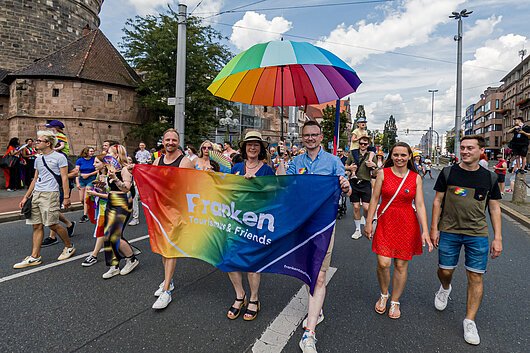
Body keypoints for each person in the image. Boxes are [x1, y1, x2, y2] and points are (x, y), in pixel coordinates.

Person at [277, 121, 350, 353]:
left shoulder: (333, 162)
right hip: (301, 224)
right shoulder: (295, 162)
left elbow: (345, 189)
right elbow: (284, 186)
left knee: (319, 275)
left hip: (323, 226)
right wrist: (280, 161)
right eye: (306, 135)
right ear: (302, 137)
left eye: (314, 135)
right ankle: (316, 308)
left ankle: (309, 334)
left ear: (321, 137)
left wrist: (346, 186)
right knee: (308, 268)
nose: (310, 138)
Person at [430, 135, 502, 346]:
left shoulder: (489, 178)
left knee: (476, 277)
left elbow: (495, 207)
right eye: (462, 148)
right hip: (449, 231)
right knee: (445, 270)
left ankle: (469, 320)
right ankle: (445, 288)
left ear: (481, 151)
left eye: (470, 148)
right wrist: (434, 228)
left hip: (477, 234)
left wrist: (497, 237)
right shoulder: (448, 172)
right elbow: (437, 202)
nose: (465, 151)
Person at [364, 142, 433, 319]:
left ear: (409, 156)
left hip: (407, 223)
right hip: (386, 221)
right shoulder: (383, 174)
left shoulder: (415, 177)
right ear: (391, 156)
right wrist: (369, 222)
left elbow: (420, 205)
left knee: (401, 265)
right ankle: (384, 293)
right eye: (396, 155)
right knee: (383, 263)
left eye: (403, 155)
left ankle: (395, 301)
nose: (399, 158)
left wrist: (425, 231)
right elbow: (374, 199)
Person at [227, 131, 275, 321]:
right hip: (236, 220)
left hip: (256, 222)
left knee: (252, 262)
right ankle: (240, 295)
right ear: (244, 148)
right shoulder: (236, 167)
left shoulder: (267, 171)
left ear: (261, 149)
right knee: (231, 259)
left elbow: (273, 197)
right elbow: (229, 192)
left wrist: (259, 186)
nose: (252, 147)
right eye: (249, 144)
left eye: (256, 144)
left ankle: (254, 298)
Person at [14, 131, 76, 268]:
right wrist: (26, 197)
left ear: (48, 143)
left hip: (51, 193)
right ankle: (34, 256)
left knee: (52, 224)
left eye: (39, 141)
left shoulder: (59, 157)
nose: (36, 142)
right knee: (36, 225)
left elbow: (65, 177)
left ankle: (69, 246)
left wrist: (66, 197)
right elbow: (35, 179)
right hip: (37, 193)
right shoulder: (38, 159)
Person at [151, 128, 195, 310]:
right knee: (163, 247)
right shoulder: (157, 160)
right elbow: (151, 181)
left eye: (174, 140)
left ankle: (167, 290)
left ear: (178, 142)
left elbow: (190, 188)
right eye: (167, 139)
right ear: (163, 141)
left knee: (170, 248)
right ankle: (169, 280)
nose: (170, 143)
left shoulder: (185, 162)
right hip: (160, 209)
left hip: (177, 210)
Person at [101, 144, 140, 279]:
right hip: (111, 200)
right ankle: (114, 266)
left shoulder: (124, 170)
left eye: (109, 153)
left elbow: (126, 189)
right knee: (108, 234)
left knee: (115, 234)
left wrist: (115, 179)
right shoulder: (110, 169)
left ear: (117, 155)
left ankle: (131, 259)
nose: (107, 155)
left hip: (121, 201)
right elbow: (109, 188)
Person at [345, 136, 376, 239]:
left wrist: (373, 165)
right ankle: (358, 229)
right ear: (359, 143)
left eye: (365, 144)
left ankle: (367, 222)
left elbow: (376, 172)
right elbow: (345, 166)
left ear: (368, 145)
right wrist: (350, 168)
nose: (363, 145)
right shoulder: (353, 153)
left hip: (366, 182)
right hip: (354, 182)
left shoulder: (371, 155)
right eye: (361, 143)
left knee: (366, 208)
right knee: (356, 207)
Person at [82, 153, 110, 266]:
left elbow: (111, 195)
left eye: (97, 162)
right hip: (101, 206)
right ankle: (128, 253)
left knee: (101, 231)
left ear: (104, 164)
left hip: (108, 208)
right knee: (107, 232)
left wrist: (95, 192)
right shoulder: (99, 175)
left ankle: (94, 255)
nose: (93, 164)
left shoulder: (111, 177)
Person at [76, 147, 97, 223]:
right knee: (81, 199)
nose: (92, 152)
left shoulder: (94, 160)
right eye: (90, 151)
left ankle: (84, 215)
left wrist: (89, 174)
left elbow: (98, 170)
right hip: (82, 180)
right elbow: (76, 172)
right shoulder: (80, 160)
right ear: (86, 152)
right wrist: (77, 182)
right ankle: (89, 208)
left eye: (93, 151)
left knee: (86, 197)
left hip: (91, 179)